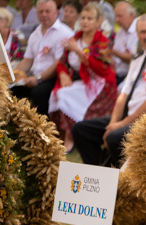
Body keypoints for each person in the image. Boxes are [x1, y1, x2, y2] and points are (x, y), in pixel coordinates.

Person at [71, 13, 146, 167]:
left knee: (115, 138)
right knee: (81, 130)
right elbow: (123, 95)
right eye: (142, 32)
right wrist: (114, 123)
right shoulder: (138, 58)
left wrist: (122, 124)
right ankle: (101, 176)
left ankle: (121, 181)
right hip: (129, 116)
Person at [48, 3, 116, 153]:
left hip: (101, 84)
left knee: (64, 95)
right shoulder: (76, 38)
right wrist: (63, 74)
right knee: (57, 94)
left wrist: (78, 51)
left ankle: (70, 138)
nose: (85, 21)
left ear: (99, 21)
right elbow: (62, 62)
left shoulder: (103, 41)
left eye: (89, 18)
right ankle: (61, 137)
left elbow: (100, 69)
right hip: (83, 81)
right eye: (83, 18)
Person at [11, 0, 74, 117]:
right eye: (41, 12)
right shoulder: (36, 33)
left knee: (38, 93)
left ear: (56, 12)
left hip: (55, 77)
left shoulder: (64, 33)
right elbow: (27, 60)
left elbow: (58, 63)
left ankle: (44, 128)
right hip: (34, 76)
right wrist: (13, 75)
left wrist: (38, 79)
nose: (44, 14)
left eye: (47, 11)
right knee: (13, 90)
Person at [112, 1, 138, 85]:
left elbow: (134, 58)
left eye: (120, 16)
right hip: (116, 75)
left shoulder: (139, 31)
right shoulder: (120, 32)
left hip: (131, 78)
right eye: (116, 16)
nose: (117, 20)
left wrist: (113, 51)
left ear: (131, 15)